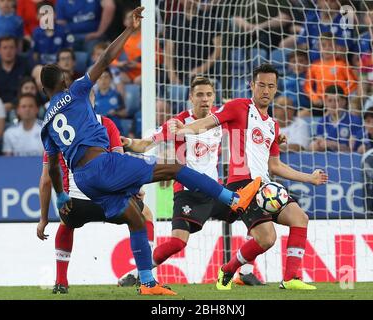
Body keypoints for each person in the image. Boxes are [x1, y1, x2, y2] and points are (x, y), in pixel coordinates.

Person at [40, 7, 260, 296]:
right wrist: (131, 29)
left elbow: (53, 167)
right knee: (173, 167)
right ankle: (233, 198)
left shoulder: (46, 125)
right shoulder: (76, 91)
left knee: (135, 216)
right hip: (103, 165)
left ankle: (147, 282)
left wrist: (62, 195)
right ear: (65, 82)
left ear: (44, 90)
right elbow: (106, 58)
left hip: (83, 180)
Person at [170, 63, 328, 291]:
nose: (265, 90)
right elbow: (209, 121)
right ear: (251, 85)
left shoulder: (273, 125)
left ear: (276, 89)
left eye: (270, 86)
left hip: (266, 185)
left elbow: (275, 165)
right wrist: (185, 130)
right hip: (242, 185)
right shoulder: (239, 107)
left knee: (300, 218)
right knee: (267, 239)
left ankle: (290, 277)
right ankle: (228, 270)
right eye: (261, 85)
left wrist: (309, 178)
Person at [118, 76, 264, 287]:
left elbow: (249, 127)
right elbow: (145, 145)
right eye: (199, 95)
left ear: (214, 97)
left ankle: (247, 272)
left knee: (253, 210)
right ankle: (138, 272)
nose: (204, 99)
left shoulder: (219, 119)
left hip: (215, 191)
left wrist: (276, 138)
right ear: (190, 98)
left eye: (208, 95)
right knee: (178, 242)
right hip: (188, 192)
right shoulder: (178, 122)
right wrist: (129, 143)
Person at [37, 112, 155, 294]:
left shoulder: (55, 130)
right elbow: (119, 163)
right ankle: (144, 275)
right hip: (109, 200)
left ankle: (61, 282)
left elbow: (46, 180)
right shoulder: (106, 124)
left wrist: (43, 219)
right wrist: (134, 189)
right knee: (144, 214)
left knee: (66, 223)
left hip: (76, 204)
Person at [164, 0, 222, 85]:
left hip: (206, 74)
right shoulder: (174, 20)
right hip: (179, 74)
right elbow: (168, 50)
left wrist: (201, 69)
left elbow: (218, 50)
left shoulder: (209, 19)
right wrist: (172, 74)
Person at [303, 32, 357, 109]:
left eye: (330, 45)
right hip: (320, 102)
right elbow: (307, 86)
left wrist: (342, 95)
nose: (327, 48)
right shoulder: (314, 66)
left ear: (336, 47)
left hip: (339, 102)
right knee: (302, 114)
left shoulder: (342, 64)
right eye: (324, 45)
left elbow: (353, 83)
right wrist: (314, 98)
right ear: (319, 48)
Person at [309, 85, 362, 153]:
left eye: (337, 100)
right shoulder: (322, 122)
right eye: (330, 101)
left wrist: (333, 144)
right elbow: (318, 146)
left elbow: (353, 150)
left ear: (344, 102)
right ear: (325, 103)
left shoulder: (355, 121)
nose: (333, 104)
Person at [0, 36, 32, 114]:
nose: (8, 51)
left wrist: (13, 104)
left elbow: (30, 89)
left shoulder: (26, 65)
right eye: (5, 48)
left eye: (11, 47)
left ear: (16, 49)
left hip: (22, 107)